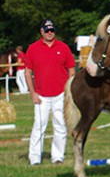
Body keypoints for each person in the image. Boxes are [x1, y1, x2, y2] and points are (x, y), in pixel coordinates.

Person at [25, 19, 76, 165]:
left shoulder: (64, 47)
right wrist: (32, 93)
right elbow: (27, 72)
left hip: (60, 94)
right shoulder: (33, 48)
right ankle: (34, 158)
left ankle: (57, 157)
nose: (49, 32)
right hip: (41, 96)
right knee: (39, 126)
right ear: (41, 31)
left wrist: (69, 91)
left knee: (60, 125)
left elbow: (72, 70)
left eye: (52, 30)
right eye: (46, 30)